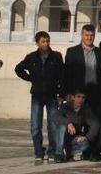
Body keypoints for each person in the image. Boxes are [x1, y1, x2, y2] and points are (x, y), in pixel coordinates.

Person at [14, 31, 64, 164]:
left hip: (52, 95)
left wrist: (61, 93)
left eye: (47, 41)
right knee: (35, 125)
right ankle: (38, 151)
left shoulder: (56, 57)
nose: (46, 43)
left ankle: (52, 151)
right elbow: (18, 69)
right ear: (37, 43)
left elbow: (62, 76)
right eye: (43, 41)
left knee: (53, 126)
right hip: (37, 95)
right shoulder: (31, 57)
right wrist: (31, 78)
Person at [64, 25, 101, 111]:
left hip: (96, 93)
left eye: (92, 35)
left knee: (93, 121)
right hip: (77, 92)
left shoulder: (100, 53)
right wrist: (68, 92)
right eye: (87, 35)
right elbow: (67, 74)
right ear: (82, 35)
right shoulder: (72, 52)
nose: (89, 38)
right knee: (77, 122)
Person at [52, 89, 100, 163]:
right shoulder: (66, 106)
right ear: (73, 97)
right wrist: (68, 123)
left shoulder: (85, 109)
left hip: (74, 138)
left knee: (86, 144)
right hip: (62, 137)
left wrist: (86, 137)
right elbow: (55, 116)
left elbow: (95, 123)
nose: (81, 99)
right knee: (62, 127)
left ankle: (68, 154)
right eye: (78, 96)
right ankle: (58, 154)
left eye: (83, 97)